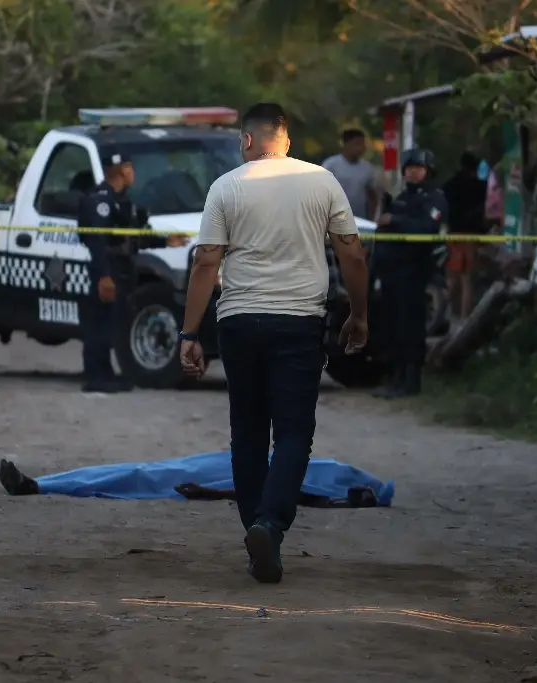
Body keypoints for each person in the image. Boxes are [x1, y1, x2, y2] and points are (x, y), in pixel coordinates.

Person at [177, 103, 370, 584]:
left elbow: (205, 262)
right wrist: (360, 315)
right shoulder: (322, 180)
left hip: (239, 322)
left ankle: (255, 534)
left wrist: (189, 332)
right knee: (292, 433)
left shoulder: (226, 186)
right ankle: (269, 526)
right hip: (299, 323)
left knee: (246, 431)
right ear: (286, 140)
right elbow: (352, 252)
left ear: (246, 140)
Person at [77, 153, 186, 394]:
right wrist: (104, 276)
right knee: (99, 322)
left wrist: (167, 242)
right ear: (123, 171)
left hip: (122, 267)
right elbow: (97, 242)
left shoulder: (121, 201)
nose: (134, 173)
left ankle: (105, 374)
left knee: (112, 321)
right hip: (107, 267)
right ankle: (95, 375)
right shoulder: (100, 200)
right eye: (131, 168)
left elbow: (134, 236)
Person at [372, 148, 448, 399]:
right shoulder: (402, 197)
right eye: (409, 168)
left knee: (410, 328)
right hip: (391, 274)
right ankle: (395, 378)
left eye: (419, 168)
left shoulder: (434, 198)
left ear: (428, 171)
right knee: (392, 327)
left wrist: (395, 221)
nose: (413, 172)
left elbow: (427, 228)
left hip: (414, 274)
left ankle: (411, 381)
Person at [440, 152, 488, 322]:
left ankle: (442, 314)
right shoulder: (480, 187)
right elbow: (483, 211)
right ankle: (464, 318)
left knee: (451, 277)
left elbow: (442, 209)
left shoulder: (449, 185)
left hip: (453, 234)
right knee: (467, 279)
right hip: (471, 235)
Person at [322, 129, 379, 220]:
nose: (360, 148)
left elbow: (372, 196)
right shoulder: (330, 165)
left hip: (360, 220)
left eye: (363, 144)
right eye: (356, 144)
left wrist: (372, 218)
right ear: (345, 144)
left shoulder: (367, 168)